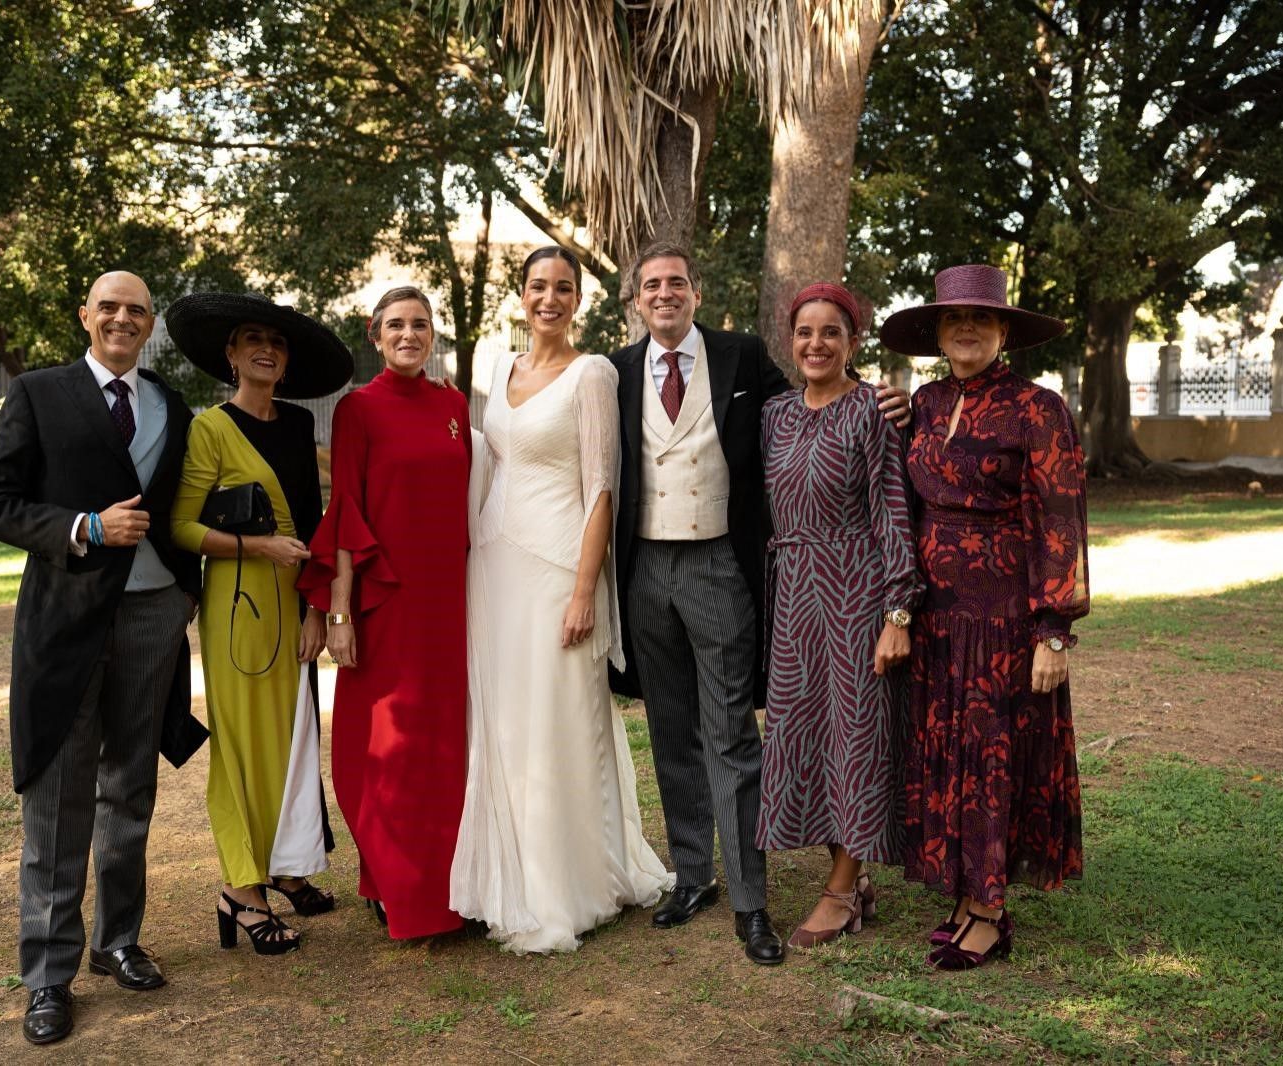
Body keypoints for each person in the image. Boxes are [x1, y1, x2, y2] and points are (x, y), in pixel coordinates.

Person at [608, 243, 910, 966]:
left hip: (720, 564)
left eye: (677, 281)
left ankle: (751, 902)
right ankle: (693, 877)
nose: (665, 293)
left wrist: (882, 392)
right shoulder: (613, 372)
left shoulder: (743, 359)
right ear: (636, 300)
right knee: (671, 729)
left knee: (733, 736)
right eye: (652, 284)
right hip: (645, 565)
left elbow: (826, 390)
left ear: (697, 292)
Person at [0, 270, 204, 1045]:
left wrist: (185, 594)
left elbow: (177, 509)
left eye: (137, 310)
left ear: (150, 326)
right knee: (58, 797)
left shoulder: (171, 405)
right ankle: (48, 975)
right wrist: (86, 528)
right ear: (85, 315)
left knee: (130, 786)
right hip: (67, 621)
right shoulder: (39, 392)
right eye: (109, 306)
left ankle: (118, 941)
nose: (123, 319)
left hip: (153, 615)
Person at [450, 247, 674, 953]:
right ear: (520, 296)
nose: (550, 298)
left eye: (564, 288)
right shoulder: (499, 371)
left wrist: (585, 589)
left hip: (557, 569)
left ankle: (569, 885)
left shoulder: (593, 373)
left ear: (579, 299)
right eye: (539, 286)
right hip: (493, 566)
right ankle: (502, 880)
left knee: (559, 718)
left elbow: (601, 486)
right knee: (506, 721)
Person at [878, 264, 1089, 970]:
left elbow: (1061, 518)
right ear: (937, 333)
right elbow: (904, 501)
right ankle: (966, 891)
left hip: (1006, 620)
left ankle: (991, 914)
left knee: (995, 756)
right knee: (949, 754)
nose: (965, 329)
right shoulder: (928, 403)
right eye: (951, 320)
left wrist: (1053, 629)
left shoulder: (1038, 408)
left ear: (1004, 331)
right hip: (938, 618)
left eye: (980, 319)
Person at [166, 293, 354, 956]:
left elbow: (310, 523)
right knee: (244, 746)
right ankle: (240, 893)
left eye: (275, 342)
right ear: (231, 354)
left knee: (295, 737)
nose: (265, 351)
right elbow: (182, 527)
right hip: (239, 608)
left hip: (292, 600)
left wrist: (314, 607)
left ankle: (284, 864)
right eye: (251, 340)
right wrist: (258, 548)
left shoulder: (300, 427)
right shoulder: (210, 429)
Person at [296, 286, 471, 940]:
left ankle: (449, 888)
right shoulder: (357, 410)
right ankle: (397, 885)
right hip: (386, 604)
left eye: (419, 324)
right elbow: (346, 511)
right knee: (387, 751)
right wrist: (339, 611)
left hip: (449, 605)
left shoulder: (454, 405)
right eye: (395, 325)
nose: (408, 334)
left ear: (433, 333)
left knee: (444, 750)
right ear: (375, 335)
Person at [756, 283, 924, 950]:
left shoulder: (873, 411)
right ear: (790, 340)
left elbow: (892, 511)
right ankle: (847, 878)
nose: (816, 344)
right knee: (806, 735)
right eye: (805, 332)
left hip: (857, 590)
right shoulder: (774, 414)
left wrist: (898, 611)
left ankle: (840, 888)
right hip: (793, 595)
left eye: (832, 332)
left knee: (857, 737)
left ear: (854, 342)